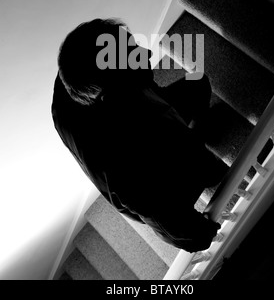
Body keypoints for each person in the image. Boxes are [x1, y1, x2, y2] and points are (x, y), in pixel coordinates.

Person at [51, 18, 227, 253]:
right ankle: (202, 164)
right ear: (118, 90)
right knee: (212, 171)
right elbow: (188, 236)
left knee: (199, 85)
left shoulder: (74, 73)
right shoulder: (135, 181)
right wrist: (203, 234)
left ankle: (198, 147)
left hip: (139, 115)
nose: (145, 53)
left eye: (132, 46)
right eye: (134, 56)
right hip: (153, 171)